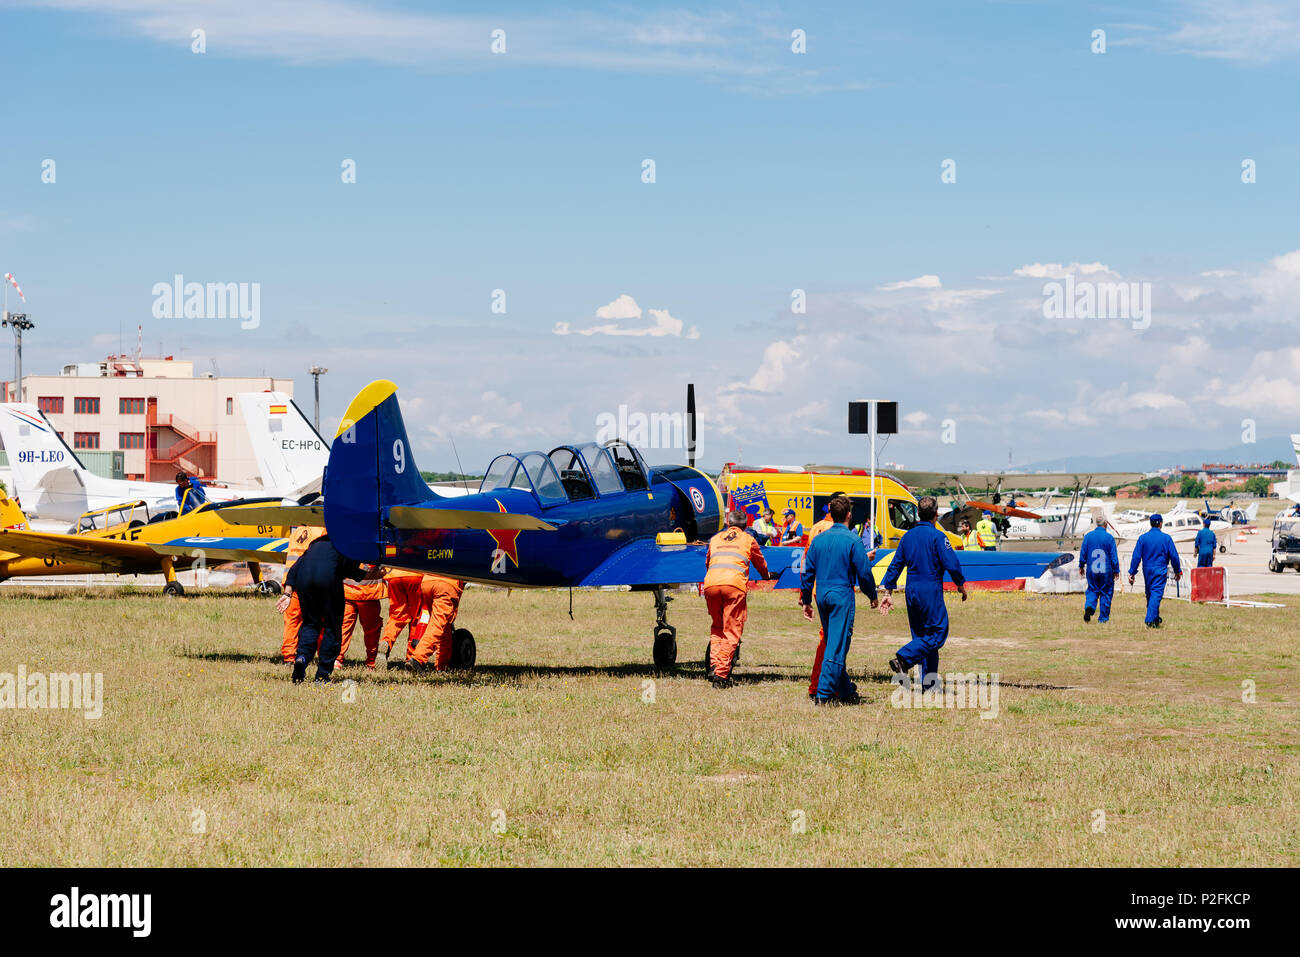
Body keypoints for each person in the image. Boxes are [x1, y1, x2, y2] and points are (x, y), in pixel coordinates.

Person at [881, 495, 968, 687]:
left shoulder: (907, 537)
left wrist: (888, 591)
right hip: (930, 590)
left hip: (911, 590)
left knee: (922, 638)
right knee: (937, 633)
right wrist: (960, 584)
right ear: (936, 515)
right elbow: (951, 563)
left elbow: (895, 565)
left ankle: (928, 684)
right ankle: (903, 659)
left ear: (918, 514)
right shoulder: (938, 536)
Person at [800, 496, 878, 704]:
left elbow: (807, 573)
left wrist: (806, 600)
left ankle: (845, 692)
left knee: (832, 642)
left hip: (822, 595)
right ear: (849, 515)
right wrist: (872, 595)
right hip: (841, 594)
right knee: (837, 646)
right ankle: (823, 695)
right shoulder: (853, 540)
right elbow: (864, 572)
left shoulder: (818, 539)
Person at [277, 534, 362, 683]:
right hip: (327, 580)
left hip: (304, 580)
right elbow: (350, 569)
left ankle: (302, 658)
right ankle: (322, 674)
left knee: (310, 624)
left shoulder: (316, 543)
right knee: (332, 627)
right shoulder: (347, 542)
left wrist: (287, 594)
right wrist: (369, 573)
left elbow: (296, 567)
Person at [702, 509, 771, 688]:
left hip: (711, 584)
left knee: (717, 627)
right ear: (746, 526)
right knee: (731, 630)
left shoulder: (716, 538)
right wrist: (767, 575)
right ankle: (721, 676)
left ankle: (714, 666)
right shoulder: (748, 539)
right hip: (733, 586)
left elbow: (708, 562)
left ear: (728, 523)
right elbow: (760, 563)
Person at [805, 492, 846, 696]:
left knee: (830, 638)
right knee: (831, 640)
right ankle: (824, 686)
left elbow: (807, 561)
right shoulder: (838, 530)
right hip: (834, 588)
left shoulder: (815, 528)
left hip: (817, 589)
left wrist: (804, 594)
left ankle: (828, 684)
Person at [279, 524, 326, 662]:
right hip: (313, 583)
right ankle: (322, 655)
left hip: (291, 583)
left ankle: (289, 657)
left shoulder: (297, 532)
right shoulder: (323, 531)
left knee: (292, 622)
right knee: (320, 621)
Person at [1128, 513, 1182, 628]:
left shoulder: (1143, 538)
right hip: (1160, 569)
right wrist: (1177, 571)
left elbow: (1136, 556)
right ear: (1161, 523)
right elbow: (1174, 556)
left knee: (1150, 594)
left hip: (1147, 569)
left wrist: (1132, 572)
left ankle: (1155, 619)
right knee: (1156, 594)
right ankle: (1149, 619)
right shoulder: (1166, 538)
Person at [407, 575, 466, 671]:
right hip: (446, 584)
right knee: (437, 625)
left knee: (445, 626)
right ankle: (418, 659)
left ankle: (442, 666)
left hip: (427, 583)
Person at [375, 567, 425, 668]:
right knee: (416, 619)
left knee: (396, 616)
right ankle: (411, 657)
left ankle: (386, 642)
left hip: (394, 575)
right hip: (416, 575)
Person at [337, 573, 387, 669]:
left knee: (343, 627)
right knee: (372, 630)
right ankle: (371, 661)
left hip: (346, 591)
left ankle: (337, 659)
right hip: (369, 592)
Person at [1079, 515, 1119, 623]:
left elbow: (1083, 553)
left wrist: (1081, 566)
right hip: (1106, 570)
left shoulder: (1088, 536)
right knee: (1106, 593)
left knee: (1092, 590)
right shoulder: (1109, 538)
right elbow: (1113, 556)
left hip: (1092, 569)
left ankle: (1090, 606)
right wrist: (1116, 570)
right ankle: (1103, 618)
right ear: (1105, 524)